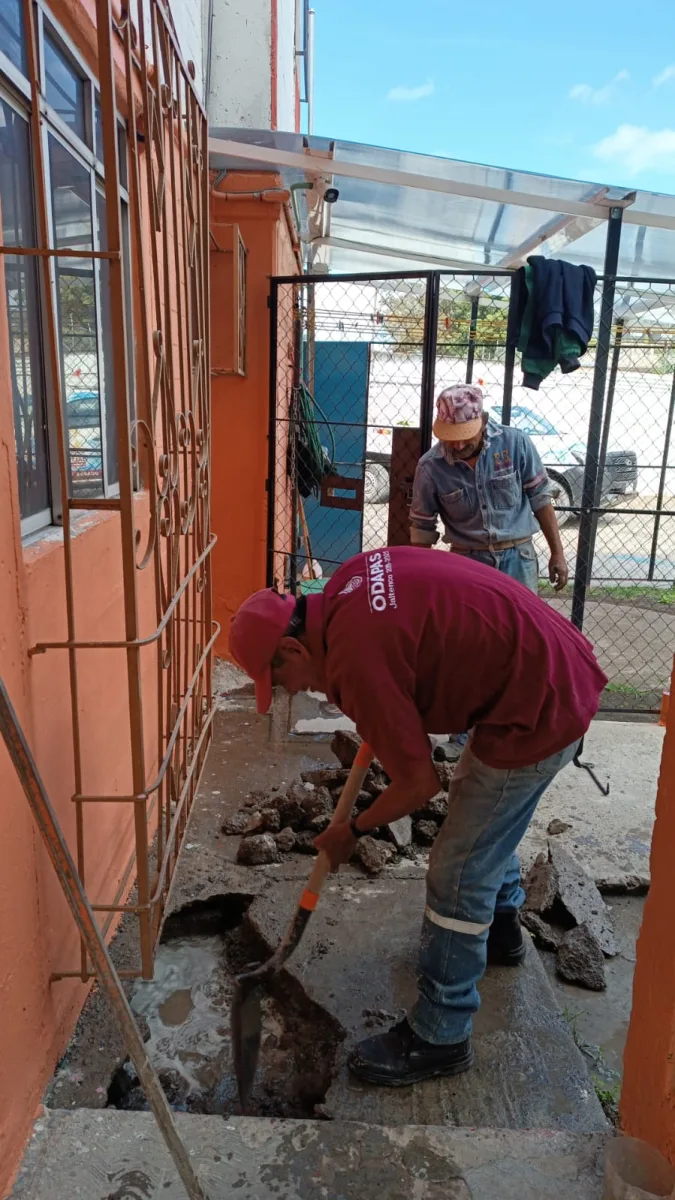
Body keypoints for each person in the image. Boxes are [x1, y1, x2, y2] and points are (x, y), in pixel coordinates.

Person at [229, 547, 606, 1088]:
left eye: (281, 680)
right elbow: (404, 651)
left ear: (292, 647)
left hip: (539, 706)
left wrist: (350, 831)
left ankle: (441, 1034)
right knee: (480, 812)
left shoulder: (356, 661)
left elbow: (417, 785)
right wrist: (379, 715)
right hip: (539, 668)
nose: (293, 692)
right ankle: (500, 933)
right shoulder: (346, 585)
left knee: (456, 870)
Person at [409, 383, 569, 594]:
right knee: (471, 627)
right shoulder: (430, 467)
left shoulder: (516, 443)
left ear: (483, 422)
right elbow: (422, 527)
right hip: (467, 564)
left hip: (518, 559)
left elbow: (540, 499)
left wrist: (557, 553)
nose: (458, 445)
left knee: (520, 625)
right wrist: (420, 577)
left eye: (465, 435)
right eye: (451, 437)